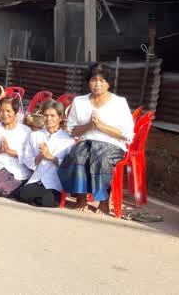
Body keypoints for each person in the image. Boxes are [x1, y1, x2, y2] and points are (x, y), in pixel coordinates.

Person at [58, 63, 135, 215]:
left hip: (112, 144)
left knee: (100, 158)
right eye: (94, 80)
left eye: (102, 80)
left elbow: (126, 134)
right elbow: (72, 131)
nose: (97, 84)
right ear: (88, 81)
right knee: (76, 157)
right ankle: (81, 198)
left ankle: (104, 200)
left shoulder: (119, 102)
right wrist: (90, 125)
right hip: (86, 141)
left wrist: (100, 126)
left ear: (109, 83)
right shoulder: (80, 101)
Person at [19, 100, 75, 208]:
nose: (49, 119)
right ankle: (36, 198)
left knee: (47, 200)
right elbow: (27, 158)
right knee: (24, 194)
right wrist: (38, 158)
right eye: (46, 115)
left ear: (60, 117)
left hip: (54, 181)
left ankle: (39, 199)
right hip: (37, 178)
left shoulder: (68, 140)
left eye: (53, 116)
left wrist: (51, 157)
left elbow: (69, 166)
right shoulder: (35, 135)